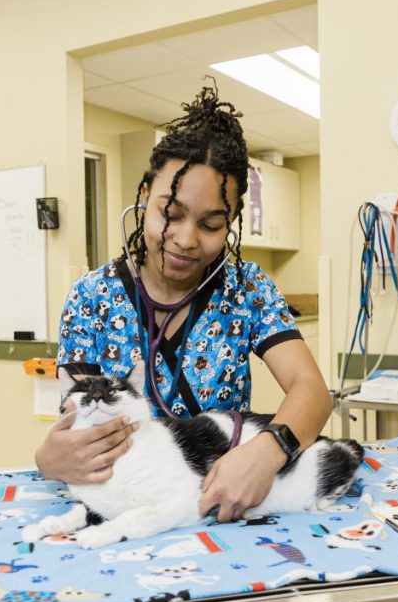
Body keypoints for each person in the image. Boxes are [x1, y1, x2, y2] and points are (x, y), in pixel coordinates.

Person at [34, 81, 332, 522]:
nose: (186, 239)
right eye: (170, 215)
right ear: (143, 196)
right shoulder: (92, 298)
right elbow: (75, 421)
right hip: (132, 508)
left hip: (229, 505)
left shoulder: (245, 291)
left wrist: (268, 451)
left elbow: (313, 392)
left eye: (211, 225)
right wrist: (50, 459)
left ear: (230, 224)